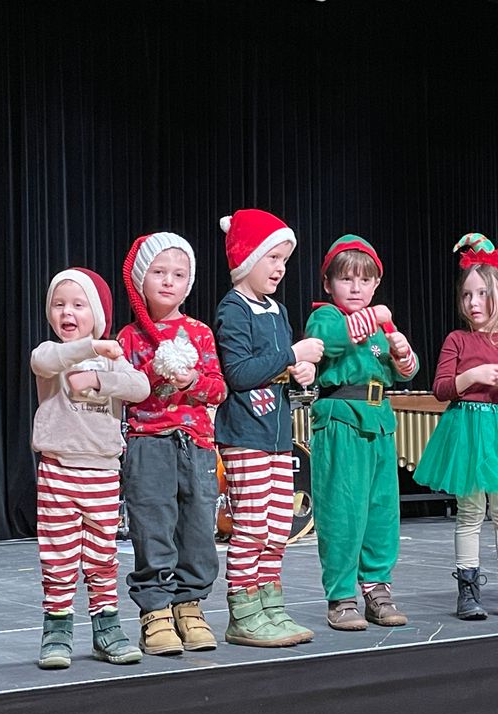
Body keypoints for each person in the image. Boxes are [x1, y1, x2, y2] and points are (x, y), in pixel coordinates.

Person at [413, 233, 498, 620]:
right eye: (467, 295)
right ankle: (467, 592)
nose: (472, 303)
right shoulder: (457, 339)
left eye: (481, 294)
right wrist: (472, 377)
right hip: (468, 429)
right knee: (470, 512)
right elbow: (440, 389)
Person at [214, 208, 323, 647]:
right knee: (252, 526)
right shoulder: (233, 308)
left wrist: (302, 372)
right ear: (246, 259)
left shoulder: (276, 309)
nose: (279, 268)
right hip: (246, 435)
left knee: (278, 525)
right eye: (272, 258)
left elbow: (280, 367)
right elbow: (239, 372)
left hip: (278, 435)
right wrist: (292, 356)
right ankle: (242, 612)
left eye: (283, 260)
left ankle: (271, 606)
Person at [31, 266, 150, 668]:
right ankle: (57, 631)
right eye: (59, 304)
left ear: (96, 313)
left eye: (78, 305)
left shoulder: (111, 361)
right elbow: (45, 361)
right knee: (59, 557)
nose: (67, 312)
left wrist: (100, 380)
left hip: (101, 471)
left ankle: (107, 629)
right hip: (58, 471)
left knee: (102, 556)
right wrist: (92, 349)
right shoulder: (52, 354)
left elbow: (141, 387)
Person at [118, 233, 227, 655]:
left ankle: (190, 606)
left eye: (178, 274)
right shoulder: (129, 337)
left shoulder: (198, 333)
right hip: (148, 444)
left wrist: (192, 382)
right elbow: (124, 391)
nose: (168, 281)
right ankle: (156, 612)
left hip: (196, 444)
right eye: (158, 273)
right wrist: (150, 379)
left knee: (198, 529)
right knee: (153, 527)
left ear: (189, 282)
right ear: (141, 280)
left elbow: (218, 390)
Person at [305, 235, 419, 629]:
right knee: (343, 511)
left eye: (365, 280)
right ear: (328, 284)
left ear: (375, 284)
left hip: (380, 417)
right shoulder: (326, 317)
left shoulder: (379, 327)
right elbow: (330, 343)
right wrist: (375, 317)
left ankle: (377, 589)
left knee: (381, 511)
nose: (356, 288)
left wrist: (404, 357)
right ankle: (340, 597)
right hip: (341, 417)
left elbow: (400, 371)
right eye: (346, 279)